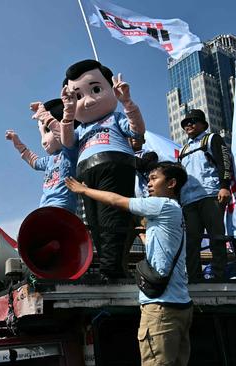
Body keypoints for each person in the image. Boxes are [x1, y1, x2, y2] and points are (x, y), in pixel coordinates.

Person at [66, 162, 192, 366]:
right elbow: (158, 244)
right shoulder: (176, 211)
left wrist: (84, 190)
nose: (149, 184)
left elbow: (117, 200)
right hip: (180, 304)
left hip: (161, 307)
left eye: (154, 179)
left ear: (171, 183)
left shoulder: (162, 205)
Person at [60, 59, 145, 281]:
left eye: (96, 90)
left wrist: (127, 103)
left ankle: (111, 269)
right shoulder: (82, 128)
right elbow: (67, 143)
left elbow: (137, 131)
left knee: (112, 218)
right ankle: (112, 268)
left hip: (115, 165)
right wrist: (68, 114)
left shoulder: (115, 118)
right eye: (78, 96)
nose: (87, 101)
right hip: (86, 173)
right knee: (95, 224)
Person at [177, 109, 232, 282]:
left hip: (210, 195)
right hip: (188, 200)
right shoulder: (183, 149)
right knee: (191, 241)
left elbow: (225, 162)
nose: (189, 125)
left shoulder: (212, 139)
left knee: (216, 236)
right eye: (186, 123)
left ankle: (218, 275)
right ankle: (194, 277)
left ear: (203, 124)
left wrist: (224, 186)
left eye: (193, 121)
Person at [5, 98, 78, 212]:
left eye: (47, 131)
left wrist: (45, 116)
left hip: (64, 206)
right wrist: (17, 143)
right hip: (44, 207)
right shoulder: (49, 160)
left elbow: (63, 134)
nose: (43, 141)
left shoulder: (70, 152)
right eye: (41, 133)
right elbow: (34, 161)